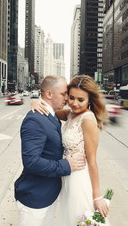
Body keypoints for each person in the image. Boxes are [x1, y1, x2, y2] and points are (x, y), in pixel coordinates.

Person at [32, 74, 110, 225]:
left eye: (81, 100)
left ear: (89, 100)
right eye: (71, 97)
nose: (75, 103)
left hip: (79, 179)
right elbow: (50, 111)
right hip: (67, 176)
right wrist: (36, 102)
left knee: (80, 219)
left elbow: (92, 161)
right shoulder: (71, 114)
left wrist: (97, 196)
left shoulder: (87, 119)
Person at [14, 75, 86, 226]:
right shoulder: (35, 119)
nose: (67, 99)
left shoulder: (51, 114)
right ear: (48, 94)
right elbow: (31, 162)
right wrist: (66, 165)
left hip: (48, 194)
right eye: (63, 94)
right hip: (34, 198)